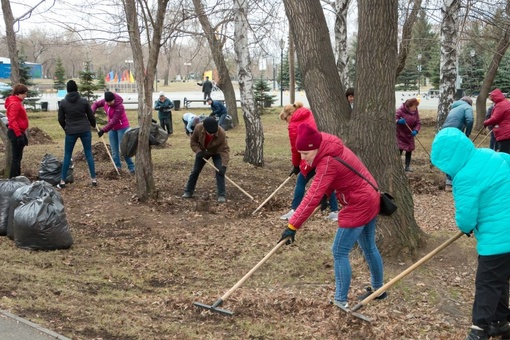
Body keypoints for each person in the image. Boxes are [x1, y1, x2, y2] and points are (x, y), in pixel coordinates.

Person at [279, 123, 386, 311]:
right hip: (370, 195)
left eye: (305, 153)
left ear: (315, 148)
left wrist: (292, 225)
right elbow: (336, 178)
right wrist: (326, 196)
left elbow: (311, 195)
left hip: (359, 203)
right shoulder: (328, 145)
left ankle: (340, 300)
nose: (303, 158)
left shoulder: (327, 161)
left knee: (339, 251)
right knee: (368, 246)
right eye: (300, 153)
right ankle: (379, 289)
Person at [430, 127, 510, 340]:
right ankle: (500, 322)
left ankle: (479, 330)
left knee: (487, 282)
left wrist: (465, 229)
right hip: (505, 237)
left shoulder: (464, 177)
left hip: (498, 239)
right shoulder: (489, 153)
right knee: (499, 279)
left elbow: (466, 218)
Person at [279, 102, 339, 221]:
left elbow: (296, 149)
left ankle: (294, 210)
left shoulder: (293, 125)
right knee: (326, 181)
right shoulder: (309, 114)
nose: (287, 122)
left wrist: (296, 166)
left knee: (301, 180)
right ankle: (335, 211)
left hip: (311, 155)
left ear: (290, 114)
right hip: (323, 152)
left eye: (286, 119)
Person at [57, 80, 97, 188]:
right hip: (85, 130)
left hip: (70, 131)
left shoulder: (63, 103)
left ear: (67, 90)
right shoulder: (83, 101)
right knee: (88, 153)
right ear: (76, 89)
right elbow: (91, 116)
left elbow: (60, 119)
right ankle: (93, 179)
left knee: (67, 155)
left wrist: (66, 128)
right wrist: (93, 124)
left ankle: (62, 181)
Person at [182, 117, 230, 203]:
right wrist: (198, 151)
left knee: (220, 172)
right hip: (203, 152)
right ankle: (188, 191)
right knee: (195, 171)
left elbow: (225, 150)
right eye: (209, 133)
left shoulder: (221, 133)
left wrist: (224, 165)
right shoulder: (198, 128)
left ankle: (221, 195)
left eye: (213, 133)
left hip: (217, 152)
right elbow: (193, 142)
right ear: (204, 128)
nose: (211, 135)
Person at [92, 91, 135, 175]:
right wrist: (92, 111)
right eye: (107, 102)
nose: (108, 104)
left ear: (114, 99)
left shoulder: (120, 106)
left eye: (110, 102)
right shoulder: (105, 101)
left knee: (123, 149)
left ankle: (132, 168)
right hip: (112, 129)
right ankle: (117, 168)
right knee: (114, 150)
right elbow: (96, 104)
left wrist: (103, 130)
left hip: (122, 128)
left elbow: (114, 121)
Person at [441, 96, 474, 189]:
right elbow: (470, 120)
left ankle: (449, 181)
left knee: (450, 155)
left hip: (445, 132)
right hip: (455, 133)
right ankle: (453, 181)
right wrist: (467, 134)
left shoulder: (454, 108)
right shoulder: (467, 107)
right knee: (457, 155)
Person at [4, 84, 29, 178]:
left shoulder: (16, 102)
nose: (25, 96)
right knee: (16, 158)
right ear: (18, 93)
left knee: (18, 157)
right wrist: (18, 135)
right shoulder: (15, 104)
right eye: (24, 94)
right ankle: (13, 178)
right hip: (16, 132)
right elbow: (12, 120)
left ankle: (17, 176)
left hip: (19, 131)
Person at [395, 98, 421, 172]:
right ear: (409, 106)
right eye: (413, 107)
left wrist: (416, 130)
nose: (415, 109)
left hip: (410, 134)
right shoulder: (400, 111)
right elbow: (394, 119)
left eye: (416, 107)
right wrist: (398, 121)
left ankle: (407, 166)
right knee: (399, 150)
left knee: (409, 150)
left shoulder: (415, 112)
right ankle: (397, 166)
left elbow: (418, 122)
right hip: (400, 134)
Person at [483, 88, 510, 154]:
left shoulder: (501, 105)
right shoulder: (505, 103)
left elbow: (495, 118)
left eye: (492, 97)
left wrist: (486, 123)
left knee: (504, 154)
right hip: (506, 131)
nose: (491, 99)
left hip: (505, 132)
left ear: (495, 97)